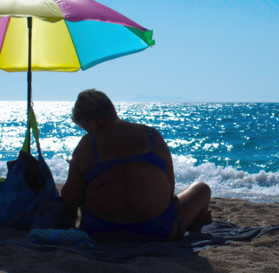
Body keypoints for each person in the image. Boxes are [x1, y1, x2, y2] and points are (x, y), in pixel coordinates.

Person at [62, 89, 211, 242]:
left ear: (92, 124)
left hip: (101, 233)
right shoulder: (152, 136)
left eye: (85, 128)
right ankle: (198, 221)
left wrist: (75, 169)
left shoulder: (85, 145)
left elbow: (71, 199)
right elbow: (169, 191)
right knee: (202, 188)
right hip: (160, 231)